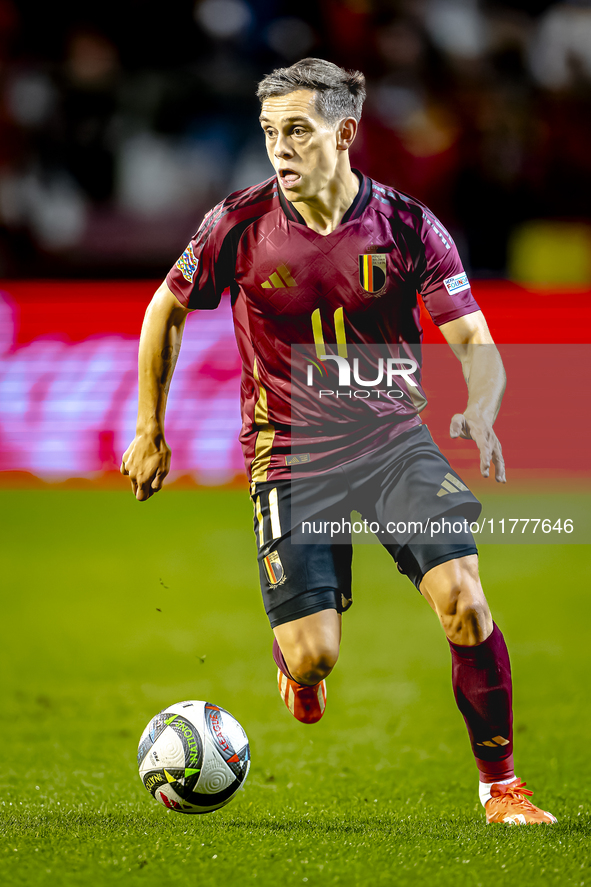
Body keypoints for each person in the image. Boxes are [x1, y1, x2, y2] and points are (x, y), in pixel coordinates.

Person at [121, 58, 555, 825]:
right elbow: (166, 307)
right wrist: (148, 428)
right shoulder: (237, 224)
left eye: (296, 130)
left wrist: (482, 406)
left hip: (394, 445)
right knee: (315, 650)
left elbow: (473, 340)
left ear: (343, 132)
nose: (279, 149)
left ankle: (502, 787)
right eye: (268, 133)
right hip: (289, 457)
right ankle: (301, 670)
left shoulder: (409, 227)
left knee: (464, 600)